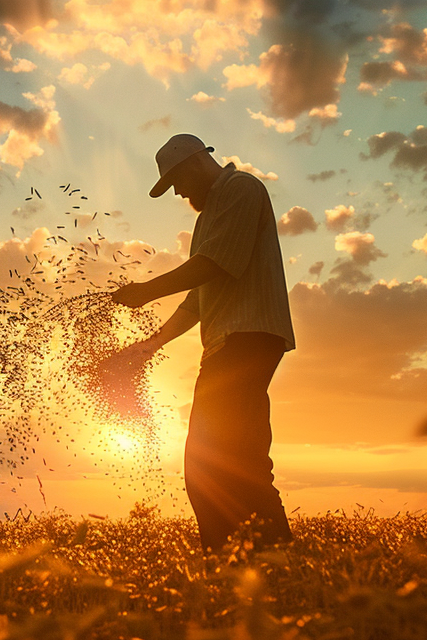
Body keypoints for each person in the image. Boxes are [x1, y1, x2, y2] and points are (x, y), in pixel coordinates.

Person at [109, 133, 296, 551]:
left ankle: (230, 558)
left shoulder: (241, 189)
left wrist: (146, 291)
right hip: (230, 341)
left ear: (195, 163)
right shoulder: (208, 215)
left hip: (247, 336)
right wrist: (151, 344)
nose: (178, 192)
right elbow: (199, 297)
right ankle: (266, 558)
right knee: (237, 457)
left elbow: (214, 264)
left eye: (176, 181)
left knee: (208, 462)